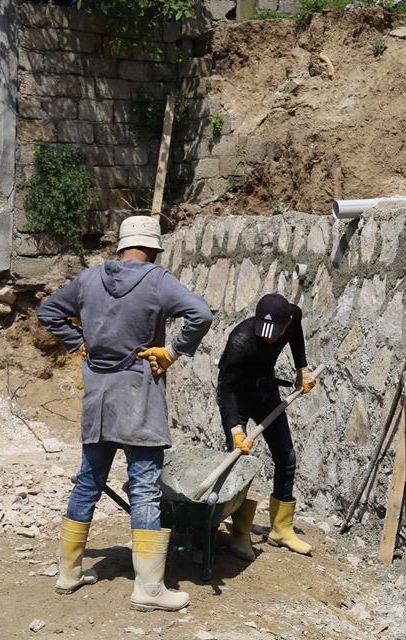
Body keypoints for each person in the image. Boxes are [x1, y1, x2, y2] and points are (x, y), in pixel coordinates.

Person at [37, 215, 213, 612]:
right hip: (140, 397)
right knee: (145, 487)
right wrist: (171, 351)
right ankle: (149, 590)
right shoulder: (158, 280)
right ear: (153, 249)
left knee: (88, 482)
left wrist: (77, 343)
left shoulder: (88, 279)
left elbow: (48, 312)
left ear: (119, 246)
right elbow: (200, 315)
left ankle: (68, 573)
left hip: (98, 399)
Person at [216, 293, 317, 558]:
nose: (269, 338)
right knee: (240, 463)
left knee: (287, 457)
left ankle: (281, 530)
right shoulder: (240, 340)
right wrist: (236, 429)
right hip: (237, 396)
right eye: (264, 331)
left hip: (266, 392)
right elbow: (225, 389)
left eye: (276, 331)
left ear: (288, 320)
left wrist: (301, 370)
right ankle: (239, 534)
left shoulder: (293, 318)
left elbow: (295, 336)